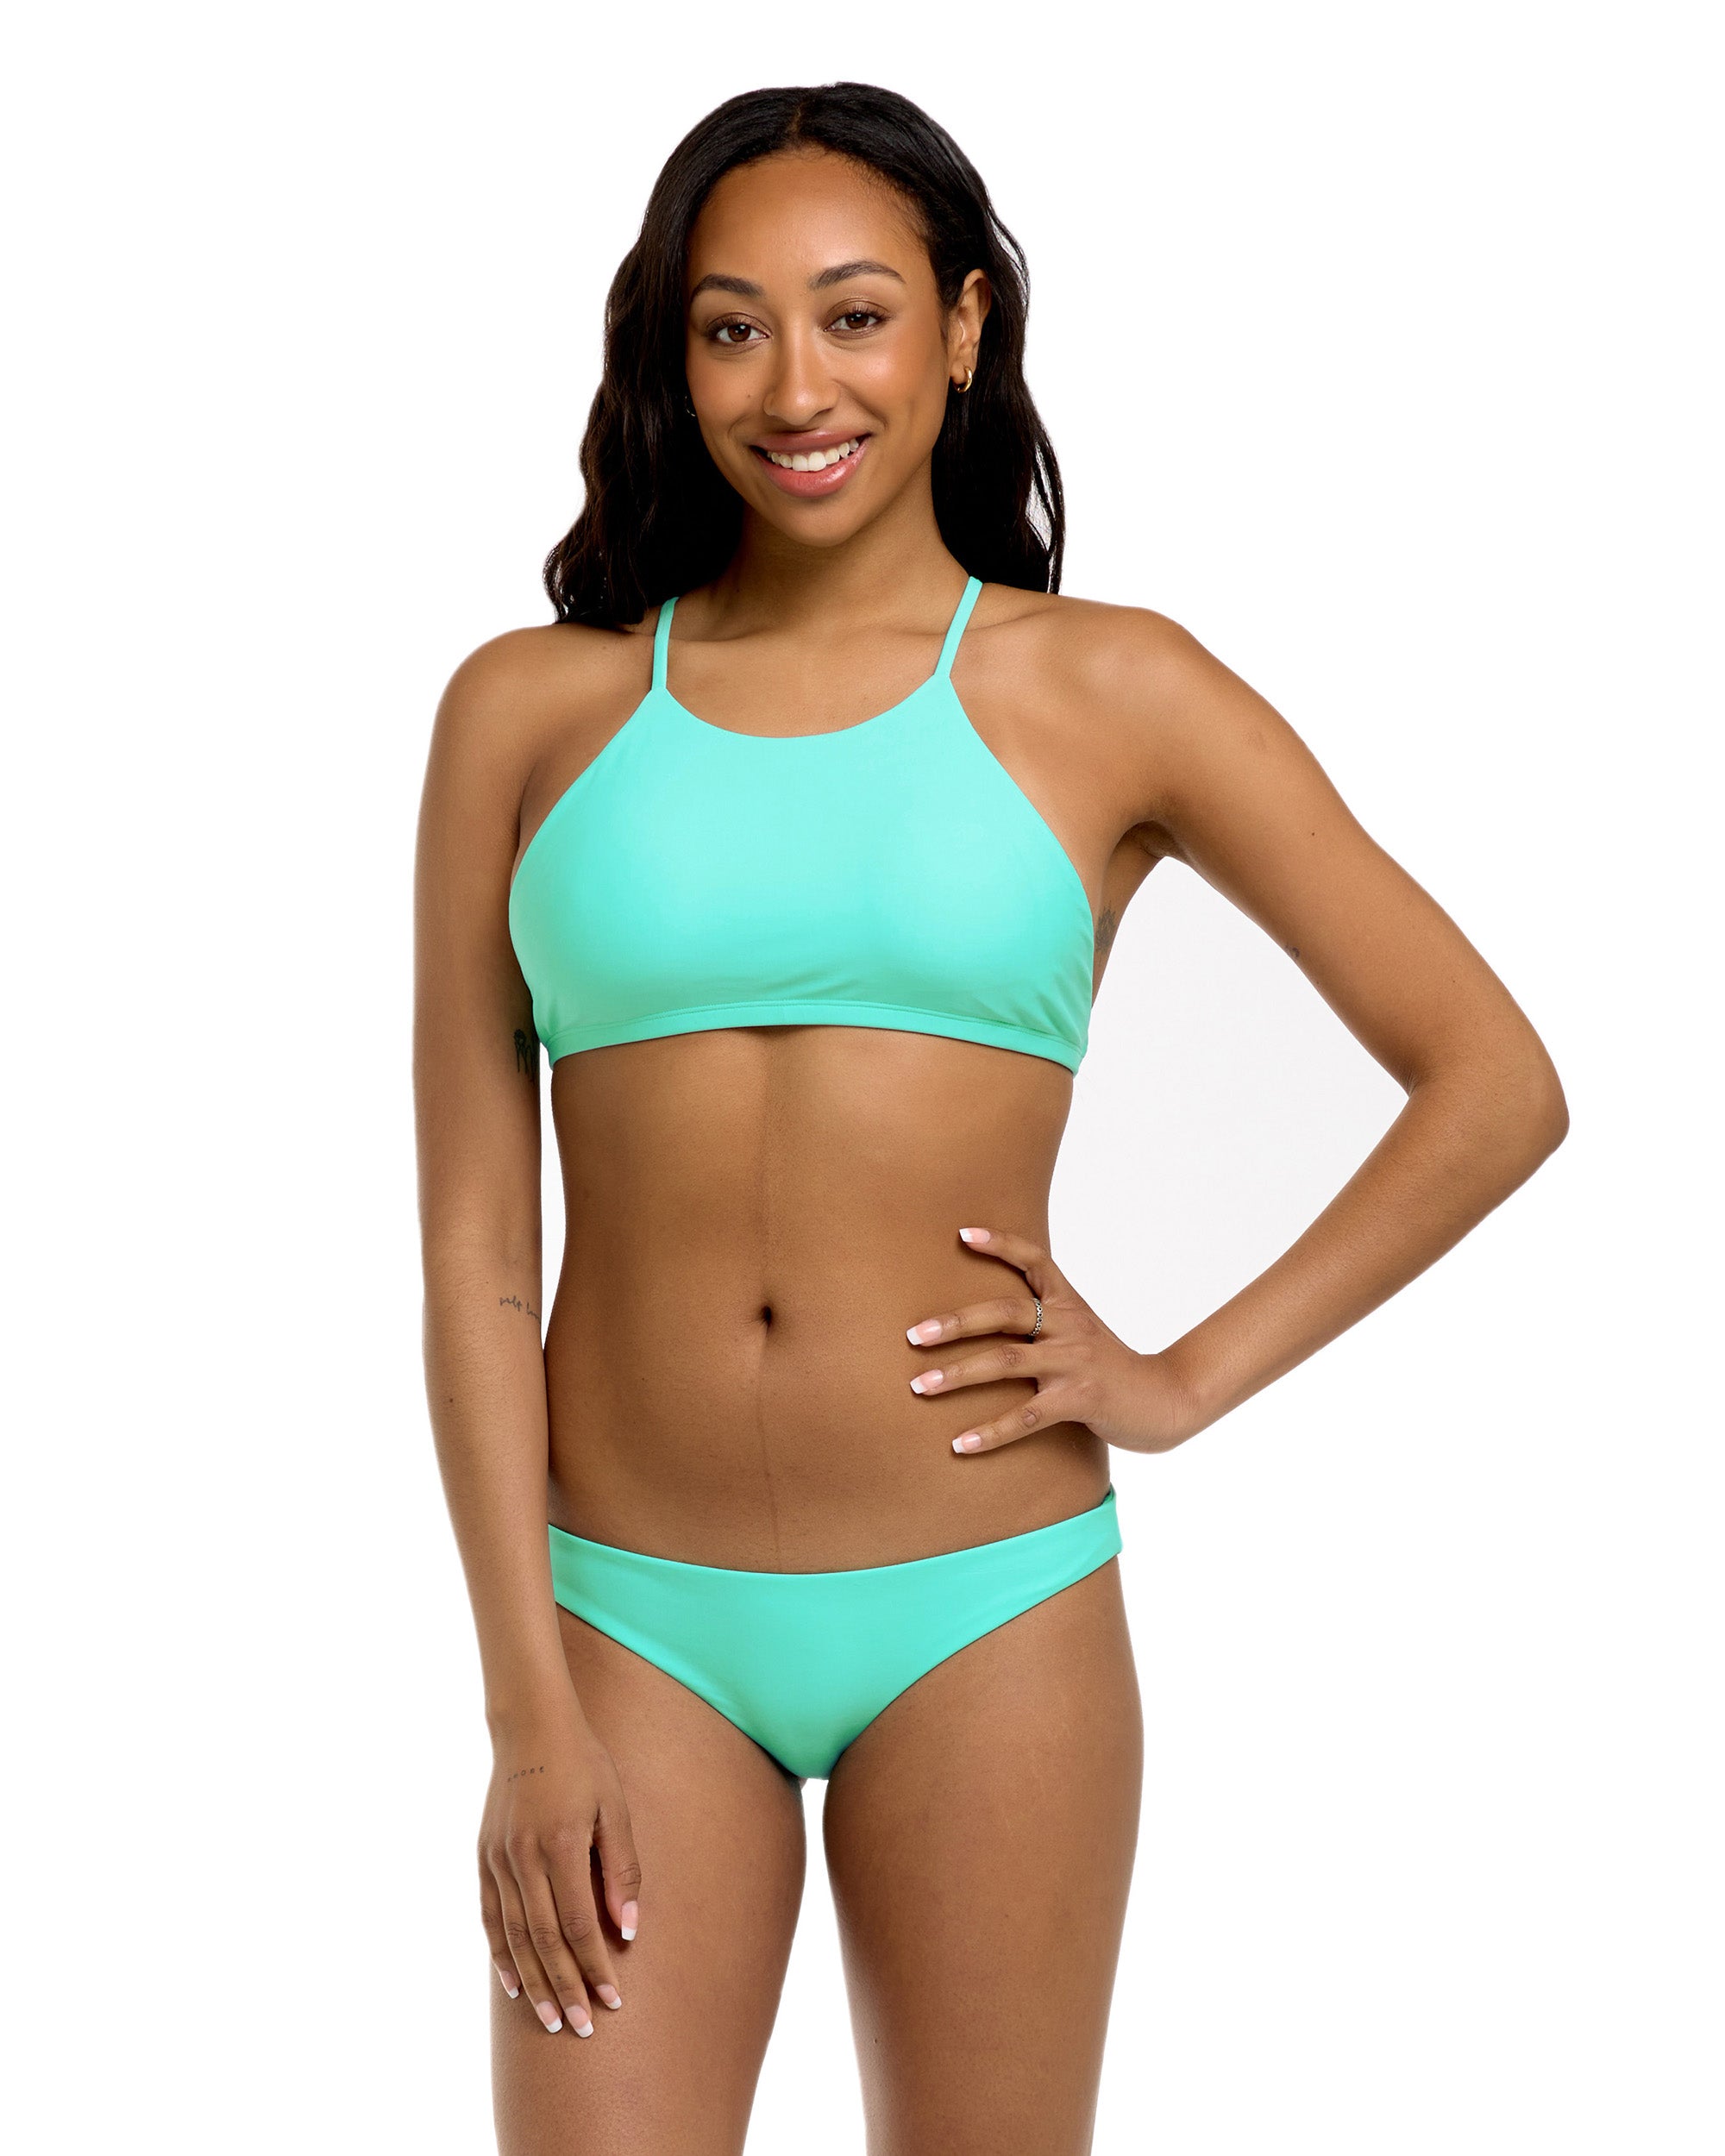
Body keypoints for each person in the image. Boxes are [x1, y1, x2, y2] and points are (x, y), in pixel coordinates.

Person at [412, 79, 1567, 2156]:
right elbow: (478, 1248)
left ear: (960, 328)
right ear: (671, 356)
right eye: (731, 326)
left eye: (855, 315)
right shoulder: (530, 708)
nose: (796, 386)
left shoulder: (1108, 688)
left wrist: (1178, 1377)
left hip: (987, 1598)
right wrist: (524, 1707)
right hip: (621, 1617)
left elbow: (1491, 1080)